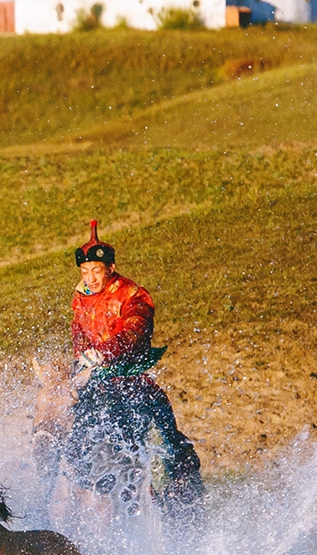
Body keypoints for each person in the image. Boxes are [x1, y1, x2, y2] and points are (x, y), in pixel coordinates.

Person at [34, 220, 202, 517]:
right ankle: (49, 487)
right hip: (92, 381)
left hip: (130, 380)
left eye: (96, 271)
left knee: (166, 434)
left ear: (110, 268)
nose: (90, 277)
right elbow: (79, 334)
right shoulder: (80, 298)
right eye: (85, 272)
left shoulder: (133, 295)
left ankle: (169, 493)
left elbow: (135, 333)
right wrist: (81, 362)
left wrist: (102, 355)